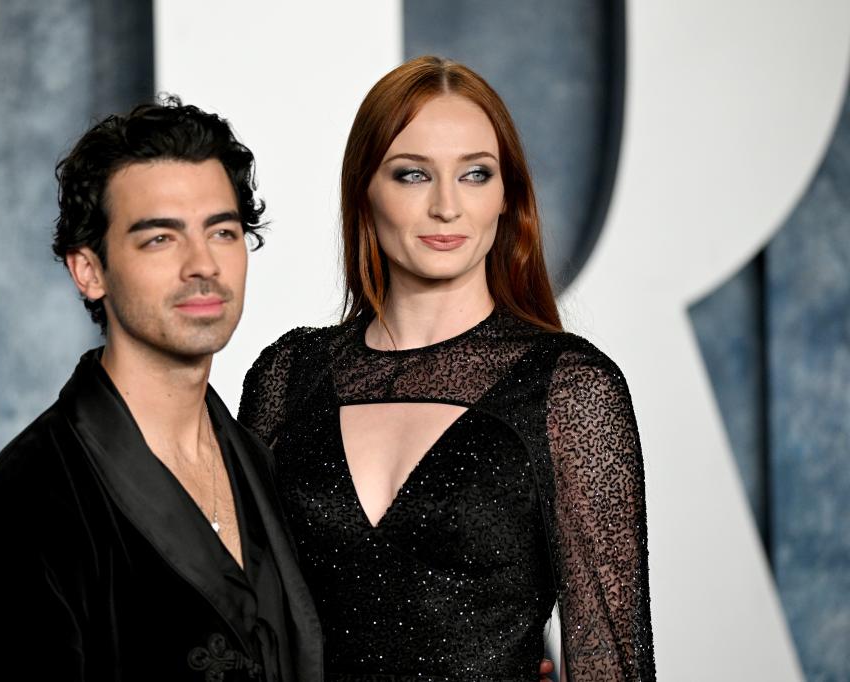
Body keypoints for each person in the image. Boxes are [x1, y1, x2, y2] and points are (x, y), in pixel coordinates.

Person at [239, 56, 656, 681]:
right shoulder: (288, 373)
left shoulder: (569, 388)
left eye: (475, 175)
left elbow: (612, 662)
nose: (446, 207)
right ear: (365, 191)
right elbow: (242, 621)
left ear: (506, 197)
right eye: (412, 175)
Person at [0, 98, 323, 681]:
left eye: (223, 231)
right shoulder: (15, 520)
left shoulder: (259, 461)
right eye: (160, 238)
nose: (202, 264)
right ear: (89, 271)